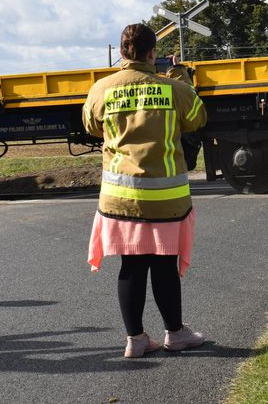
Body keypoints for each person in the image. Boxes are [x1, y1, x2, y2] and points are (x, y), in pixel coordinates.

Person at [84, 23, 209, 358]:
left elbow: (91, 125)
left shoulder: (102, 88)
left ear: (123, 53)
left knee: (132, 265)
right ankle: (176, 334)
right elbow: (197, 118)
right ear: (153, 53)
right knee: (164, 266)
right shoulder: (171, 88)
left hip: (120, 197)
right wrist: (180, 75)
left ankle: (136, 340)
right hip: (166, 198)